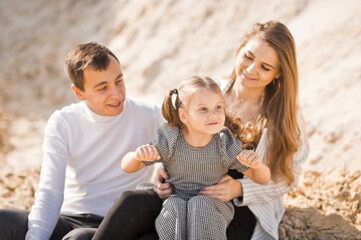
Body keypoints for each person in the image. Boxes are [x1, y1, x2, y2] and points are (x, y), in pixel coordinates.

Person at [92, 20, 309, 240]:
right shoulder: (207, 90)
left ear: (279, 73)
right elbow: (176, 138)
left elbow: (290, 177)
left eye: (265, 67)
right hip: (180, 191)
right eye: (248, 57)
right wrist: (162, 172)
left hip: (232, 207)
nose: (251, 69)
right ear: (239, 49)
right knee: (131, 202)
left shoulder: (286, 116)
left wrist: (240, 189)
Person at [0, 42, 164, 240]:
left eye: (119, 81)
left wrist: (164, 170)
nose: (116, 93)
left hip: (115, 225)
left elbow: (192, 143)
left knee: (79, 238)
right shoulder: (63, 122)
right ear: (79, 93)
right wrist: (36, 237)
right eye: (102, 88)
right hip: (68, 219)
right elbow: (50, 191)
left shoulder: (151, 115)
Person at [121, 76, 271, 240]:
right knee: (173, 204)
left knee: (200, 204)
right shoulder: (171, 140)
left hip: (212, 207)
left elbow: (262, 179)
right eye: (203, 109)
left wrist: (257, 166)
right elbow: (127, 166)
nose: (213, 114)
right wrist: (137, 156)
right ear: (184, 116)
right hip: (179, 203)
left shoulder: (223, 144)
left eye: (218, 107)